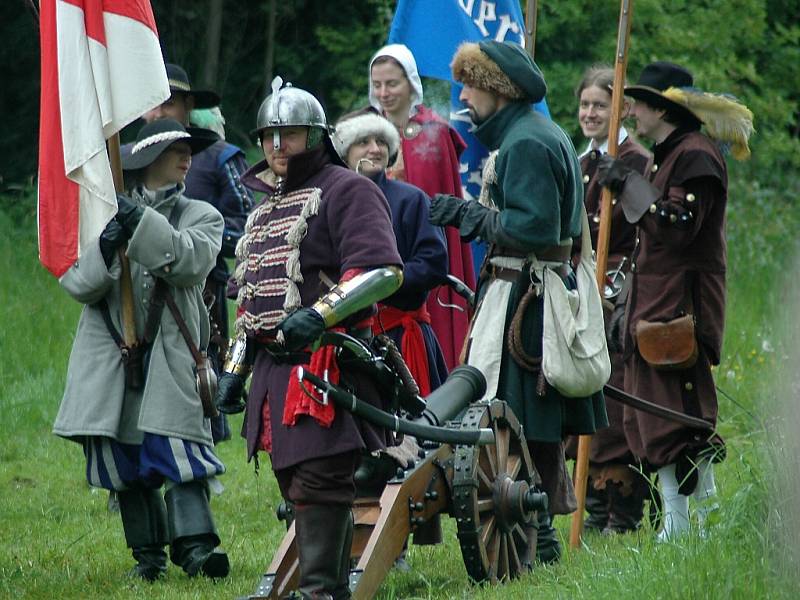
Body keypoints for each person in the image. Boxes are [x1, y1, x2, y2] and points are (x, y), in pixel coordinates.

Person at [214, 78, 403, 599]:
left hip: (329, 365)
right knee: (297, 485)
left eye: (289, 135)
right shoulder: (265, 206)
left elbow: (383, 270)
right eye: (269, 137)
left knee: (320, 482)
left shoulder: (348, 188)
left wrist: (319, 314)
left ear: (315, 135)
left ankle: (324, 592)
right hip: (275, 372)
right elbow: (251, 301)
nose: (278, 147)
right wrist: (235, 370)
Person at [430, 41, 608, 564]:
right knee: (529, 423)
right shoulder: (535, 134)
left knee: (521, 421)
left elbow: (534, 228)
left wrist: (470, 217)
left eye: (470, 86)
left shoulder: (528, 142)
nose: (463, 96)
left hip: (527, 300)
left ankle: (541, 540)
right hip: (527, 291)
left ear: (495, 91)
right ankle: (542, 540)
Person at [53, 118, 230, 581]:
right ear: (149, 160)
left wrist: (140, 223)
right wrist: (108, 242)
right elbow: (78, 283)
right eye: (177, 148)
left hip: (170, 355)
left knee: (179, 450)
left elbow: (189, 262)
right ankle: (147, 557)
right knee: (125, 461)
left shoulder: (202, 215)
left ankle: (196, 549)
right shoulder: (101, 219)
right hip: (112, 357)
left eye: (189, 148)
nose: (187, 156)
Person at [597, 61, 753, 541]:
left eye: (639, 103)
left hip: (680, 307)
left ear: (662, 108)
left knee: (680, 418)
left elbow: (676, 227)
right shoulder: (670, 154)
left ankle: (697, 521)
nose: (632, 111)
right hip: (656, 305)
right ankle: (677, 522)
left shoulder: (697, 156)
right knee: (652, 417)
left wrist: (626, 182)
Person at [142, 63, 253, 443]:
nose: (157, 112)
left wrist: (192, 242)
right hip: (137, 286)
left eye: (167, 103)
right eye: (150, 104)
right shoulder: (127, 157)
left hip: (200, 286)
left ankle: (199, 452)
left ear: (187, 106)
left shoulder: (220, 156)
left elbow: (248, 225)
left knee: (198, 365)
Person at [564, 66, 653, 534]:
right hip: (582, 288)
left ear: (618, 108)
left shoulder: (635, 160)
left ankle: (621, 509)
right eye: (585, 105)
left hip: (623, 289)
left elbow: (644, 229)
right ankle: (592, 505)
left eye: (600, 105)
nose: (591, 113)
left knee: (617, 396)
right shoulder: (580, 163)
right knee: (586, 387)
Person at [368, 43, 475, 370]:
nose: (384, 93)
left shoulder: (433, 132)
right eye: (377, 85)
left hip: (421, 255)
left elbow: (438, 210)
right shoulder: (368, 135)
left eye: (392, 83)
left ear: (411, 83)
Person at [333, 109, 449, 395]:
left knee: (411, 435)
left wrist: (376, 283)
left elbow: (433, 264)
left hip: (399, 335)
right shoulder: (327, 202)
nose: (375, 149)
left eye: (381, 141)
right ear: (344, 152)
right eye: (363, 141)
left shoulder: (412, 199)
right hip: (342, 338)